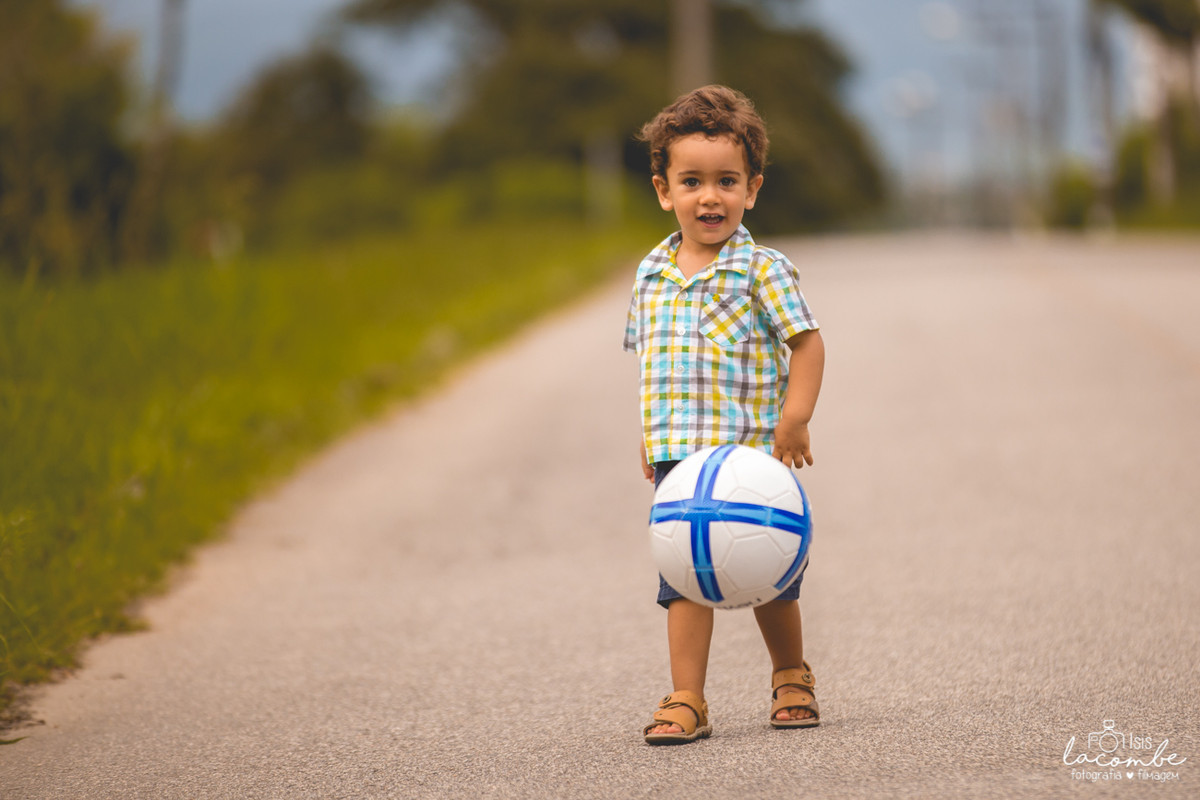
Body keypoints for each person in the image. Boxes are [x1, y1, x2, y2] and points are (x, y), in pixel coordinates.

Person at [623, 85, 826, 745]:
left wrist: (794, 419)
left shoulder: (761, 271)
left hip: (748, 464)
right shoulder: (651, 273)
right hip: (681, 466)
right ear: (664, 190)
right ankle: (687, 698)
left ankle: (791, 674)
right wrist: (650, 439)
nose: (709, 197)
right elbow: (654, 363)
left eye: (726, 181)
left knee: (772, 578)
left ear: (753, 189)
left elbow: (807, 343)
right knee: (682, 580)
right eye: (692, 181)